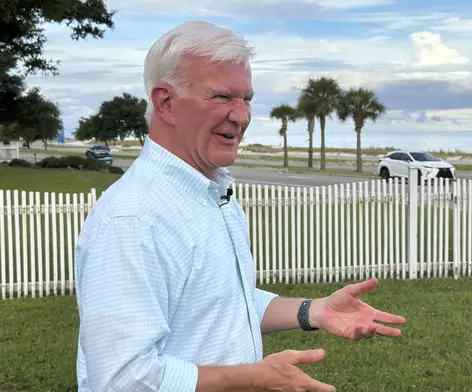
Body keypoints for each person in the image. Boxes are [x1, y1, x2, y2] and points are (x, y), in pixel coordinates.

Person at [73, 20, 405, 392]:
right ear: (165, 103)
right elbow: (121, 380)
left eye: (246, 98)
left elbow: (223, 304)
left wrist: (316, 310)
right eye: (221, 97)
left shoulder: (213, 195)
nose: (242, 116)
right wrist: (252, 378)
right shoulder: (133, 218)